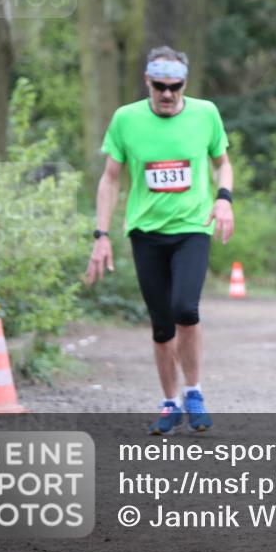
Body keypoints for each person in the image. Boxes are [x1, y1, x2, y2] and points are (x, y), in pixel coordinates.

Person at [85, 45, 234, 436]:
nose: (167, 94)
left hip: (192, 228)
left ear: (185, 82)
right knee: (161, 324)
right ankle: (170, 403)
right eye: (159, 86)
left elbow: (223, 164)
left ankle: (195, 392)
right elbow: (111, 178)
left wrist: (224, 201)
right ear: (147, 82)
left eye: (175, 86)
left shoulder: (205, 114)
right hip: (146, 233)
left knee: (186, 308)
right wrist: (101, 234)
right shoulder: (126, 119)